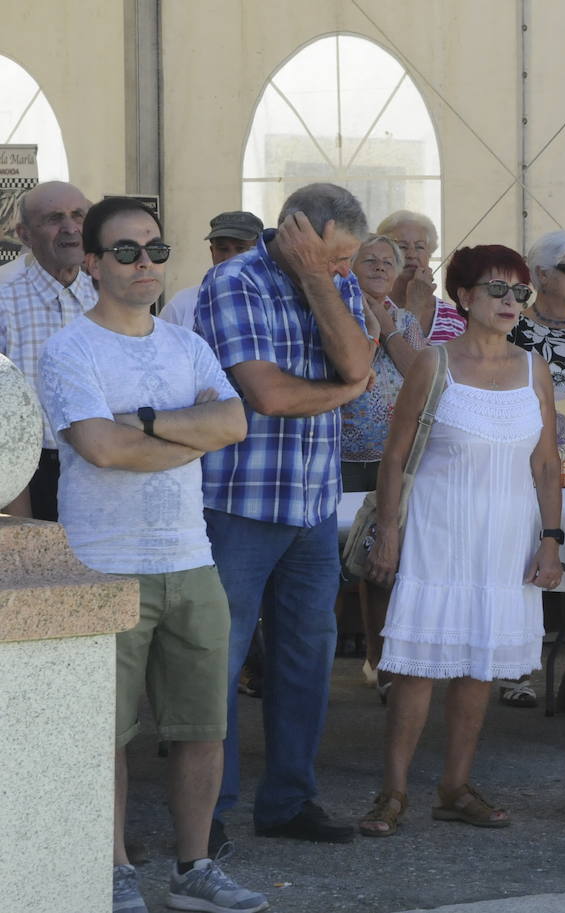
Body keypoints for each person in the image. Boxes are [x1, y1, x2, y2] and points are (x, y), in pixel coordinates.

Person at [36, 196, 263, 913]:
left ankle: (193, 867)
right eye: (128, 251)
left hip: (190, 558)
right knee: (105, 735)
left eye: (156, 250)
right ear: (95, 265)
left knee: (203, 725)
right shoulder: (70, 348)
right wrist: (181, 431)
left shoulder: (186, 345)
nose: (145, 264)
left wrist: (144, 423)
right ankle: (112, 872)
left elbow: (233, 422)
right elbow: (98, 448)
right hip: (104, 563)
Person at [358, 244, 562, 836]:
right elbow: (394, 458)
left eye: (519, 292)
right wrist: (388, 534)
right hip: (438, 534)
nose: (510, 302)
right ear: (464, 297)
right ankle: (391, 792)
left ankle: (454, 787)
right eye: (496, 290)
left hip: (505, 537)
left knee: (480, 665)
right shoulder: (433, 363)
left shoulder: (534, 369)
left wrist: (550, 541)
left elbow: (547, 464)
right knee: (417, 666)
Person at [196, 182, 375, 849]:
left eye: (351, 260)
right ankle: (205, 812)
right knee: (220, 659)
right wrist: (343, 390)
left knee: (307, 656)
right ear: (299, 233)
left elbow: (360, 361)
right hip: (240, 501)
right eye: (335, 256)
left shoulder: (334, 282)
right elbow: (266, 394)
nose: (346, 271)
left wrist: (319, 281)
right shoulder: (233, 282)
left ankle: (289, 800)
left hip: (311, 504)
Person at [503, 228, 565, 709]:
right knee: (525, 561)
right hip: (527, 463)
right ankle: (516, 669)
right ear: (541, 274)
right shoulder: (512, 328)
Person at [340, 234, 425, 700]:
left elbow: (421, 374)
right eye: (367, 260)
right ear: (350, 267)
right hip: (338, 457)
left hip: (394, 457)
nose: (377, 267)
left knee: (383, 562)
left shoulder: (408, 321)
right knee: (332, 561)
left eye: (386, 262)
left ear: (398, 273)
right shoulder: (336, 313)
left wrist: (387, 325)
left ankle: (381, 660)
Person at [0, 180, 95, 519]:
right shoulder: (4, 302)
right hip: (29, 479)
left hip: (104, 472)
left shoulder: (111, 298)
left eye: (78, 215)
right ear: (24, 235)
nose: (70, 228)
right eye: (55, 218)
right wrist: (17, 511)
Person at [160, 211, 265, 328]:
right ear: (212, 251)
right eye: (223, 249)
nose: (230, 258)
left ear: (259, 252)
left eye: (240, 249)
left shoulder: (271, 303)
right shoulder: (181, 305)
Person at [377, 209, 465, 343]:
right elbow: (398, 360)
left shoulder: (455, 320)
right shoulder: (373, 308)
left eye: (419, 247)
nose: (411, 254)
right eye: (402, 247)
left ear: (429, 253)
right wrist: (415, 304)